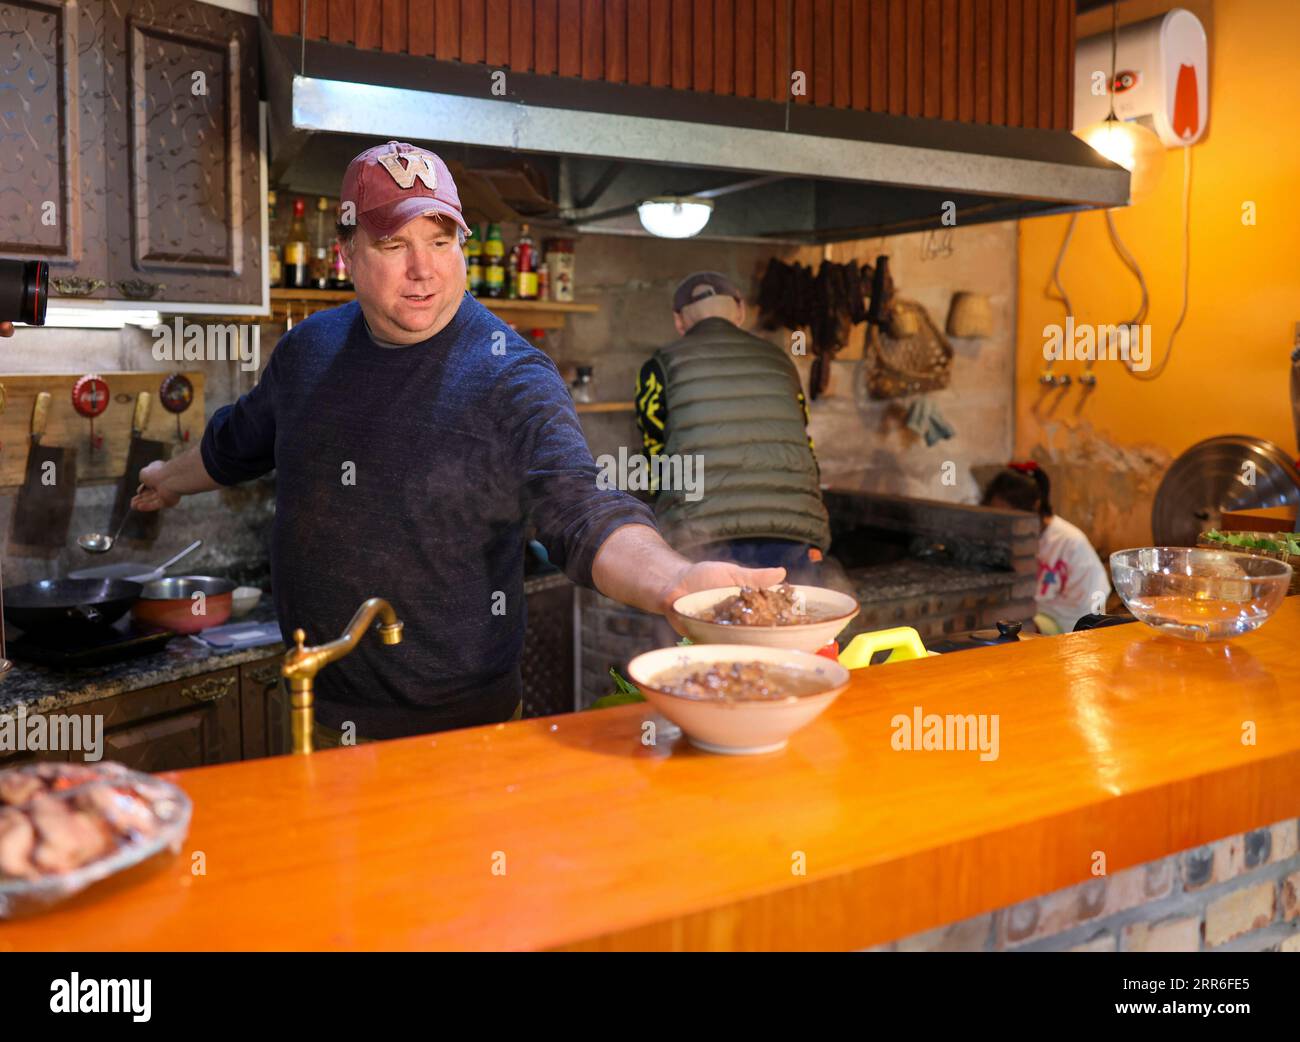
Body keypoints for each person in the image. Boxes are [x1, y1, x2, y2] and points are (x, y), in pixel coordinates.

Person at [132, 141, 782, 744]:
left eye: (441, 241)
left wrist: (675, 581)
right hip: (314, 707)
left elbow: (579, 510)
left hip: (459, 731)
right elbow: (236, 443)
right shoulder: (308, 351)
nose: (424, 271)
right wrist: (165, 477)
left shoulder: (507, 372)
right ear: (346, 254)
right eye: (393, 246)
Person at [635, 271, 830, 584]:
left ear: (678, 320)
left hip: (702, 538)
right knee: (792, 627)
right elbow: (805, 445)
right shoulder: (780, 361)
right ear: (740, 310)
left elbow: (655, 457)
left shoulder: (659, 367)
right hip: (793, 533)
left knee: (708, 630)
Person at [982, 462, 1111, 634]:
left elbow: (1090, 603)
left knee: (1017, 630)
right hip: (1029, 613)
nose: (1001, 524)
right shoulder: (1012, 537)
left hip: (1064, 621)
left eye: (1008, 515)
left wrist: (1032, 617)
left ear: (1035, 506)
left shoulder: (1071, 541)